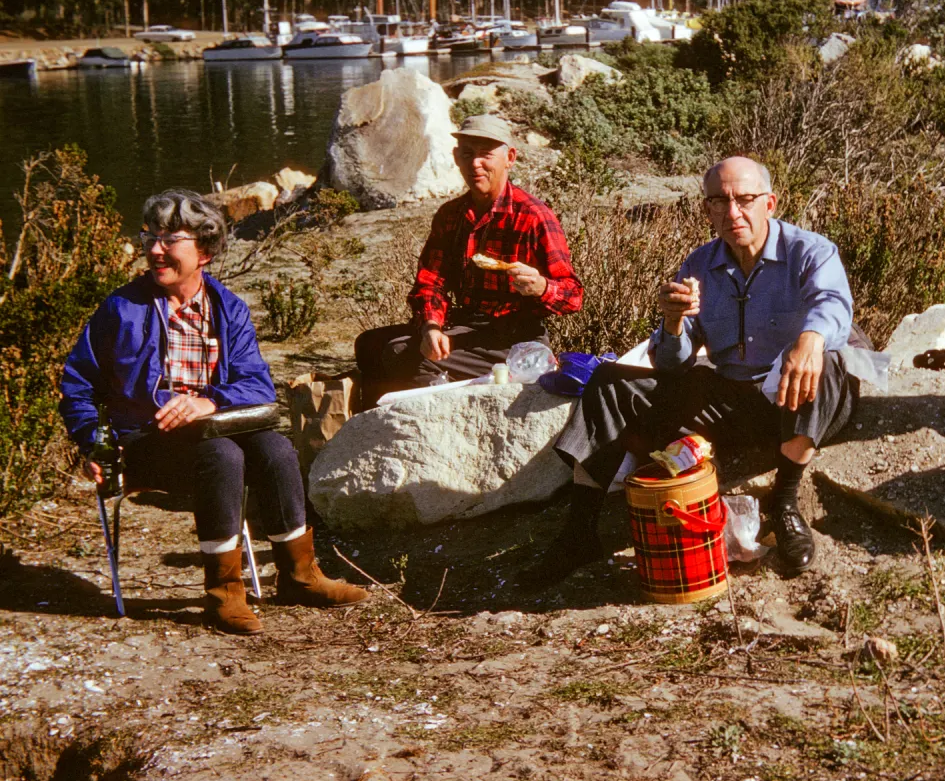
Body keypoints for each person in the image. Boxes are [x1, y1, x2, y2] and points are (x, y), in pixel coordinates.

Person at [524, 156, 859, 586]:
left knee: (827, 359)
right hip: (731, 399)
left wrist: (810, 339)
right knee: (608, 383)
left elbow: (833, 305)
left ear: (770, 203)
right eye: (719, 202)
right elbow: (673, 366)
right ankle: (579, 532)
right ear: (707, 209)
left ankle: (785, 502)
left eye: (745, 199)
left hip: (790, 397)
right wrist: (673, 324)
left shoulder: (810, 251)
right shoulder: (700, 264)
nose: (732, 213)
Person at [59, 190, 368, 635]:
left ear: (203, 250)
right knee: (224, 456)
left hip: (212, 433)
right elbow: (77, 384)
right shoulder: (120, 310)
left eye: (170, 239)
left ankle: (301, 576)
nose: (154, 249)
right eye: (150, 236)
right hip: (144, 445)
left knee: (276, 448)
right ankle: (224, 592)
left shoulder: (227, 309)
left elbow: (256, 383)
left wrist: (209, 400)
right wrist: (93, 441)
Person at [353, 114, 582, 407]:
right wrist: (431, 326)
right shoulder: (451, 215)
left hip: (516, 340)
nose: (476, 164)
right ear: (456, 158)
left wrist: (540, 286)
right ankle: (372, 430)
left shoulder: (533, 216)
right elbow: (430, 282)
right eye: (467, 154)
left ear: (509, 158)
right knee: (369, 345)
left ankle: (438, 425)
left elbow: (573, 296)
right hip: (465, 327)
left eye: (486, 155)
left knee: (403, 355)